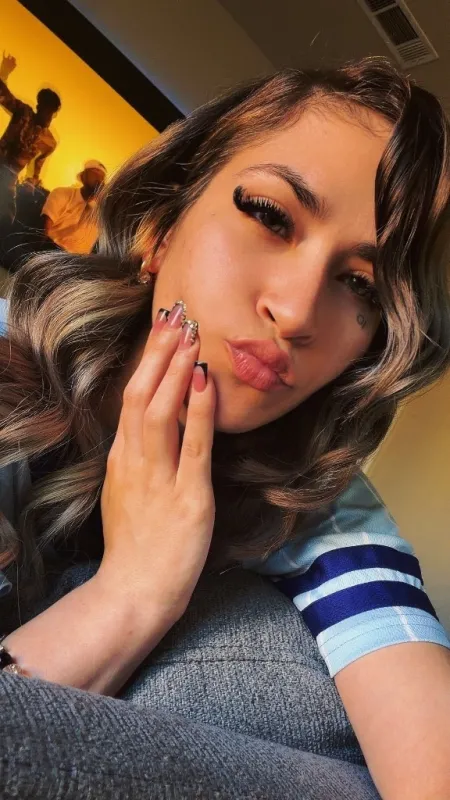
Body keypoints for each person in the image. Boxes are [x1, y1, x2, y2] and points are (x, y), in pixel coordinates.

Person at [0, 57, 450, 799]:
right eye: (271, 216)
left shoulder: (313, 495)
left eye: (359, 285)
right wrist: (131, 594)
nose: (296, 312)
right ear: (161, 226)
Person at [0, 51, 60, 228]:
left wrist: (32, 181)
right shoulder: (24, 113)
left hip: (11, 176)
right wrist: (4, 72)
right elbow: (3, 95)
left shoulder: (49, 141)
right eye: (44, 108)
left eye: (50, 111)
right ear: (38, 106)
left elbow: (37, 165)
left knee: (7, 218)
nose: (47, 114)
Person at [42, 159, 107, 254]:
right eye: (94, 174)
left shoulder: (101, 211)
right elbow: (45, 227)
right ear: (83, 177)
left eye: (102, 177)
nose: (99, 179)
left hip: (78, 259)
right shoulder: (62, 193)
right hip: (53, 249)